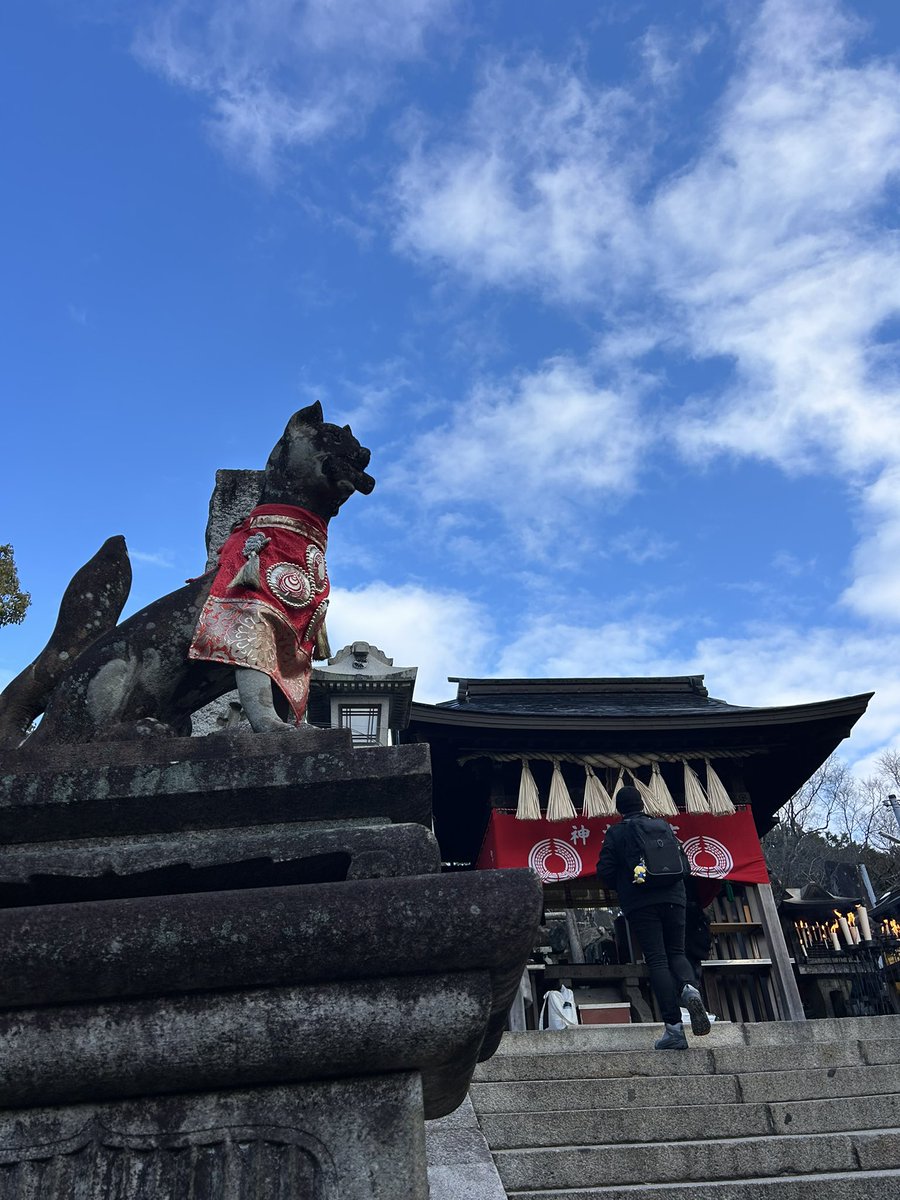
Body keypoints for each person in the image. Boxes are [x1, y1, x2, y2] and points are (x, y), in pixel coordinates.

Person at [596, 785, 711, 1050]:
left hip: (641, 902)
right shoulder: (664, 827)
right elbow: (685, 865)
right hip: (674, 898)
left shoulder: (617, 832)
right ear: (642, 804)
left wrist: (625, 883)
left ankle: (674, 1029)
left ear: (619, 809)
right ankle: (689, 989)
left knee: (657, 960)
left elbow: (605, 870)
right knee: (677, 952)